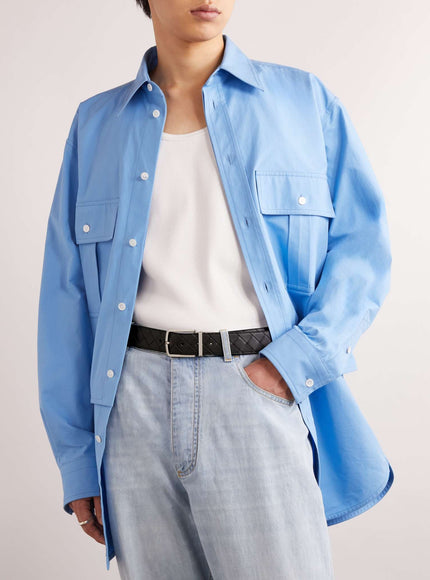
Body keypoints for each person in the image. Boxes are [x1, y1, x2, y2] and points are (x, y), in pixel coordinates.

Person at [37, 0, 394, 578]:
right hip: (131, 406)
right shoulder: (96, 124)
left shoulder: (304, 102)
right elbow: (65, 296)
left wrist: (294, 364)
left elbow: (363, 248)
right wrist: (79, 459)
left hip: (257, 386)